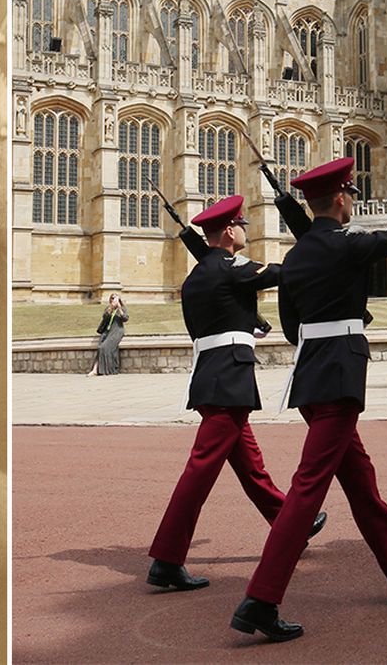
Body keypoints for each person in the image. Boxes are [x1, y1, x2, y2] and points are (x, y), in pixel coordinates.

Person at [230, 157, 387, 642]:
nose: (353, 202)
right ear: (340, 198)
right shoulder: (347, 245)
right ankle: (261, 598)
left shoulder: (295, 257)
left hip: (311, 374)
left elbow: (293, 326)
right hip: (339, 372)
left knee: (359, 477)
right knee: (307, 487)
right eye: (352, 195)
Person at [146, 196, 325, 591]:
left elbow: (210, 324)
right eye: (242, 224)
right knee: (200, 471)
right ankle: (166, 558)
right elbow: (281, 273)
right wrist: (319, 250)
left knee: (250, 464)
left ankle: (290, 520)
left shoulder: (196, 278)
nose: (245, 229)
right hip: (229, 379)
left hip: (213, 376)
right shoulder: (233, 268)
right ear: (229, 231)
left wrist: (247, 324)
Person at [89, 293, 128, 375]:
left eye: (115, 298)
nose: (114, 300)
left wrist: (119, 308)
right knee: (100, 347)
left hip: (117, 331)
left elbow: (125, 318)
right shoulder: (108, 308)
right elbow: (105, 317)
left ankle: (105, 370)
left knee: (104, 347)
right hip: (107, 332)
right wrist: (111, 308)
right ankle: (95, 369)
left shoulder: (123, 308)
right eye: (112, 298)